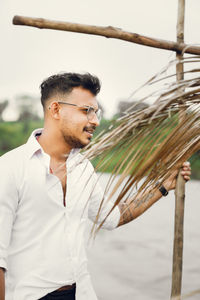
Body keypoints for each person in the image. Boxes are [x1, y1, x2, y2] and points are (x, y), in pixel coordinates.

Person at [0, 73, 191, 300]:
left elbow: (112, 217)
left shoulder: (83, 168)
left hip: (82, 292)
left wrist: (162, 186)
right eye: (86, 111)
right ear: (56, 110)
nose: (95, 121)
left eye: (96, 112)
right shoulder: (10, 168)